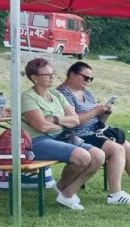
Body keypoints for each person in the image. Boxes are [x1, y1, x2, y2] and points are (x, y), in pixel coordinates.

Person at [55, 61, 130, 203]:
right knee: (116, 149)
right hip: (76, 134)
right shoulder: (63, 94)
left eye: (91, 79)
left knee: (127, 147)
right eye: (86, 77)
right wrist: (94, 111)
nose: (88, 81)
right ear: (72, 75)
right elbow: (73, 121)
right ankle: (115, 194)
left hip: (95, 131)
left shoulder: (87, 92)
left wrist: (105, 113)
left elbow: (98, 120)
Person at [19, 57, 105, 211]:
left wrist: (56, 119)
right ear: (34, 78)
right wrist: (64, 122)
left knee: (99, 155)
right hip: (37, 141)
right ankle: (63, 190)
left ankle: (66, 193)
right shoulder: (27, 97)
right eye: (47, 75)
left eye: (53, 73)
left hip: (61, 136)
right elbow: (42, 126)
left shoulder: (56, 94)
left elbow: (76, 120)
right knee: (82, 157)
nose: (52, 77)